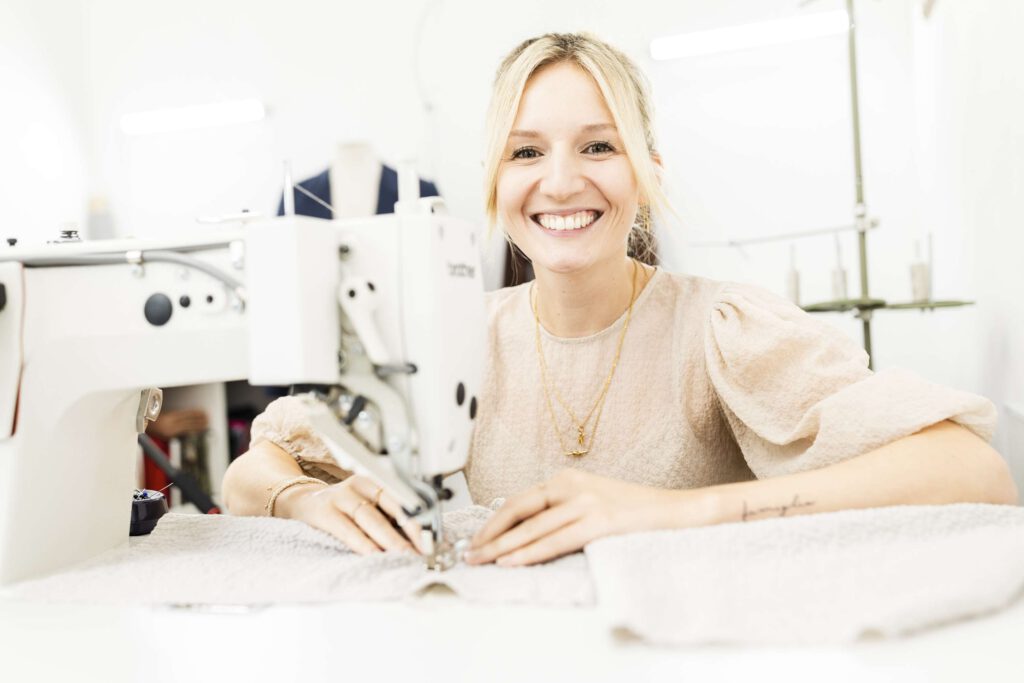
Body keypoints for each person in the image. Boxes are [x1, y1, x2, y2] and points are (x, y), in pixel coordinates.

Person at [221, 32, 1017, 566]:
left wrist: (671, 513)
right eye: (526, 151)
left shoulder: (721, 331)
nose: (561, 181)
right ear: (495, 185)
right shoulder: (457, 337)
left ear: (647, 171)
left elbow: (972, 469)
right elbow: (251, 468)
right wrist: (298, 500)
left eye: (598, 146)